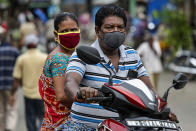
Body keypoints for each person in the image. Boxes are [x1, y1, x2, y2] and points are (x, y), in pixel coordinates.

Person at [63, 5, 157, 130]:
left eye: (120, 27)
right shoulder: (83, 54)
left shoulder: (132, 55)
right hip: (85, 127)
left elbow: (149, 89)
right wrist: (80, 93)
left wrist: (160, 107)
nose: (116, 31)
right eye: (109, 27)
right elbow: (70, 82)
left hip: (124, 127)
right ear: (97, 31)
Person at [38, 12, 80, 130]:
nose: (70, 34)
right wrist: (88, 104)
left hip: (53, 122)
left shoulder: (70, 55)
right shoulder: (59, 59)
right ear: (56, 35)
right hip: (62, 124)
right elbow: (61, 96)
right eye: (65, 31)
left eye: (73, 29)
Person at [10, 34, 47, 131]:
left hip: (27, 94)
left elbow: (17, 78)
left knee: (30, 118)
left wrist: (12, 94)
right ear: (37, 44)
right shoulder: (44, 57)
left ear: (26, 45)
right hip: (42, 94)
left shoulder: (22, 58)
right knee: (42, 117)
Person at [0, 23, 20, 131]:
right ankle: (10, 128)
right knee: (11, 108)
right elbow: (19, 69)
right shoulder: (15, 51)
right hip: (11, 85)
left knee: (1, 110)